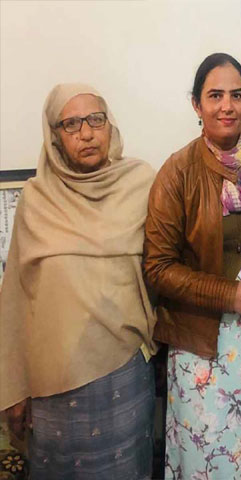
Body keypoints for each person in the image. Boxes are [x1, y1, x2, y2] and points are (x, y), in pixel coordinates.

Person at [0, 83, 157, 479]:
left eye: (95, 120)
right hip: (53, 387)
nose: (86, 133)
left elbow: (167, 267)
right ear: (54, 136)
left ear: (110, 125)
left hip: (124, 373)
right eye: (71, 124)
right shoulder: (37, 200)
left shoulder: (141, 183)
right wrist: (13, 388)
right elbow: (16, 296)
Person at [143, 53, 241, 479]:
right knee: (208, 464)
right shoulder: (177, 172)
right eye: (215, 95)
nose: (227, 106)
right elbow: (158, 267)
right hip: (201, 348)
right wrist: (230, 294)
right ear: (196, 104)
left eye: (237, 95)